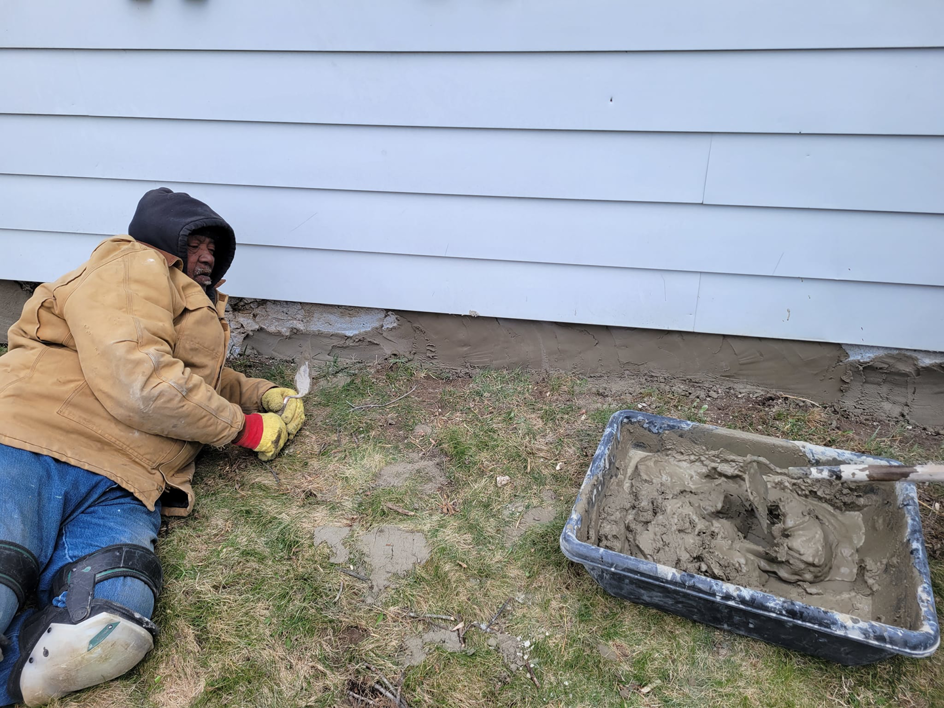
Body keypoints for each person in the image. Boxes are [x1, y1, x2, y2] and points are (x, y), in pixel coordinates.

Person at [0, 188, 305, 706]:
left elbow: (192, 377)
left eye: (216, 248)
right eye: (199, 242)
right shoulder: (130, 265)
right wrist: (244, 429)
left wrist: (260, 393)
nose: (208, 255)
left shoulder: (186, 307)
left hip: (130, 481)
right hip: (38, 440)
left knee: (107, 614)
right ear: (166, 240)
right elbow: (141, 378)